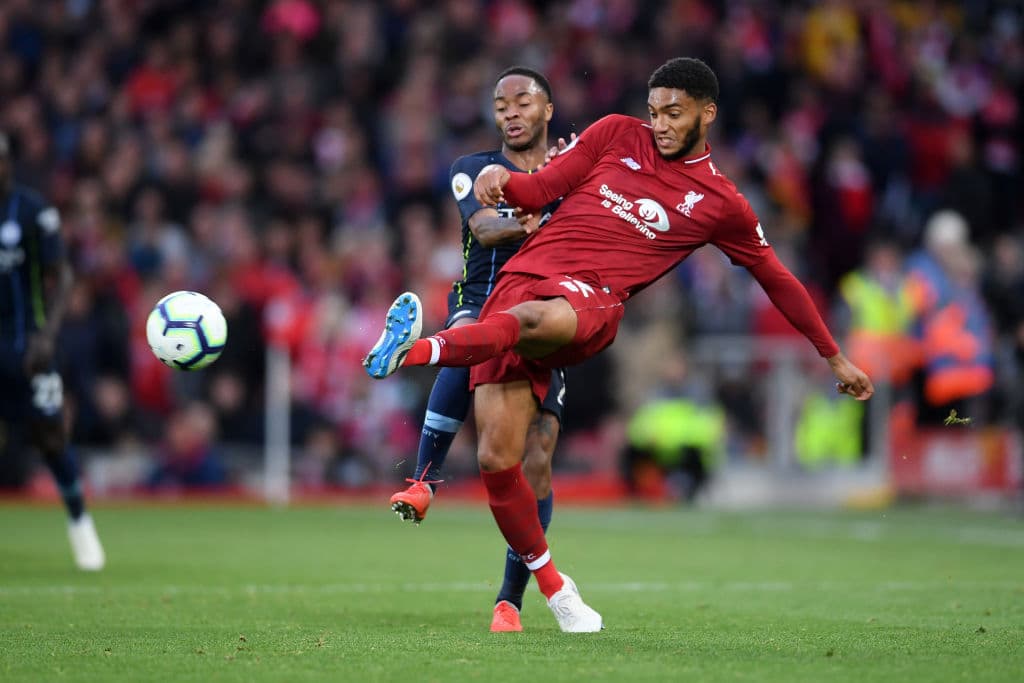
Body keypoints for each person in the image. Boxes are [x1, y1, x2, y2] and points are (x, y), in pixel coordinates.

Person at [364, 58, 873, 632]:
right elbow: (540, 189)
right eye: (654, 112)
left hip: (591, 298)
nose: (660, 125)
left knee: (531, 325)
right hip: (522, 277)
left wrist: (833, 355)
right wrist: (500, 182)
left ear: (707, 113)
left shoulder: (720, 202)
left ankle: (414, 352)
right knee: (495, 462)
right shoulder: (614, 132)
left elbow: (777, 278)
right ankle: (555, 591)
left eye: (673, 113)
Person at [387, 66, 567, 633]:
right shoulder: (471, 169)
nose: (510, 111)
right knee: (469, 339)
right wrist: (534, 219)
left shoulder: (569, 175)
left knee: (538, 456)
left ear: (547, 110)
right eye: (500, 104)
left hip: (544, 315)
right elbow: (487, 230)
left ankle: (509, 601)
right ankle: (424, 479)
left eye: (522, 101)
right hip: (483, 300)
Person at [0, 131, 105, 570]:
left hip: (26, 344)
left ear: (7, 163)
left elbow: (60, 277)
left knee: (50, 435)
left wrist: (46, 336)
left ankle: (79, 520)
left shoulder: (33, 211)